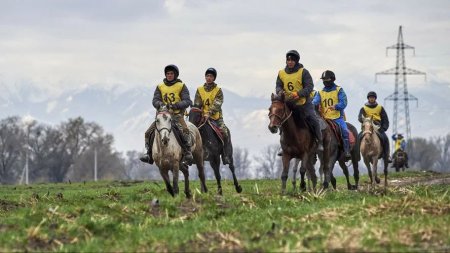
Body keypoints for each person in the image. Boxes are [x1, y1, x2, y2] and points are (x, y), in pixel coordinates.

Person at [140, 64, 194, 165]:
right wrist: (160, 104)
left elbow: (187, 101)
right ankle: (149, 154)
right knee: (148, 132)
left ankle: (187, 153)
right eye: (168, 73)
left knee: (185, 130)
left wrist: (176, 105)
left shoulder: (181, 86)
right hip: (163, 116)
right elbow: (155, 100)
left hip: (177, 115)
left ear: (175, 75)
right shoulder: (160, 86)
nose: (169, 75)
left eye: (171, 73)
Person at [275, 50, 323, 151]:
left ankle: (319, 141)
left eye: (292, 60)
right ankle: (282, 144)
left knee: (313, 119)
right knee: (280, 117)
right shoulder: (281, 73)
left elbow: (309, 86)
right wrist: (280, 92)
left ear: (296, 61)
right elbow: (278, 85)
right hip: (288, 102)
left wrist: (299, 94)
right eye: (288, 60)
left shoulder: (303, 72)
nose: (290, 62)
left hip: (303, 102)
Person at [193, 67, 232, 165]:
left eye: (211, 76)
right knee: (191, 131)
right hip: (202, 118)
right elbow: (197, 103)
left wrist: (209, 113)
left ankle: (225, 155)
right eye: (207, 76)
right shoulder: (199, 90)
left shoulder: (218, 90)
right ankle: (189, 155)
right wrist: (198, 112)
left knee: (225, 132)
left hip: (215, 117)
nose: (209, 78)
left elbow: (217, 103)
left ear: (214, 78)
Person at [313, 70, 351, 159]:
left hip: (337, 117)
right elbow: (314, 102)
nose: (325, 81)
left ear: (333, 79)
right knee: (313, 129)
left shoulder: (339, 90)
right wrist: (310, 105)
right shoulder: (320, 92)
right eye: (323, 80)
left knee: (345, 131)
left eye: (327, 79)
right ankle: (313, 152)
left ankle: (346, 151)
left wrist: (336, 106)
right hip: (324, 118)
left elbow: (344, 102)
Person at [358, 91, 391, 162]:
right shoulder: (363, 108)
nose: (371, 99)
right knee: (358, 137)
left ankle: (387, 155)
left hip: (377, 126)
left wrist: (384, 128)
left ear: (375, 98)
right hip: (367, 127)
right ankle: (357, 155)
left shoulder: (380, 108)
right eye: (370, 97)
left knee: (385, 138)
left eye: (373, 97)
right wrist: (364, 121)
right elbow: (359, 117)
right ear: (368, 98)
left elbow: (385, 119)